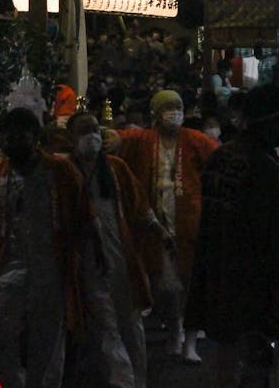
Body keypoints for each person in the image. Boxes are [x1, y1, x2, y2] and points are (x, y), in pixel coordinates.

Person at [187, 84, 279, 386]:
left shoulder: (222, 157)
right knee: (258, 366)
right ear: (270, 122)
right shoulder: (264, 167)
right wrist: (277, 298)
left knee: (226, 362)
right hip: (252, 281)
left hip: (218, 269)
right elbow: (271, 237)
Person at [0, 107, 88, 388]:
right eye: (7, 135)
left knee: (48, 343)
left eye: (19, 134)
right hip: (7, 270)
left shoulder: (61, 171)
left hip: (51, 268)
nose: (12, 141)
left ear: (34, 136)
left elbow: (83, 216)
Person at [117, 89, 220, 362]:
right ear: (156, 113)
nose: (174, 113)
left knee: (191, 284)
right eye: (168, 108)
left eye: (178, 107)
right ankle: (174, 328)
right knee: (164, 286)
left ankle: (188, 340)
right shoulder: (142, 140)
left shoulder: (197, 141)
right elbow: (117, 141)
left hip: (189, 224)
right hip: (155, 225)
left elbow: (220, 162)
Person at [67, 112, 160, 388]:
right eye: (85, 131)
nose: (92, 136)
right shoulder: (66, 172)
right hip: (89, 263)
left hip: (121, 258)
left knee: (131, 326)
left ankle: (138, 380)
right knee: (106, 326)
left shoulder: (116, 169)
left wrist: (162, 235)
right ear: (72, 138)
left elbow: (141, 208)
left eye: (95, 129)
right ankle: (123, 382)